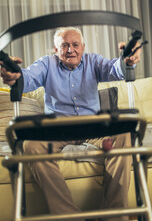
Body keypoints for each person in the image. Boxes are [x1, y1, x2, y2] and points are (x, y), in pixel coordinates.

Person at [0, 27, 141, 221]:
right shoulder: (46, 64)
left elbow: (114, 69)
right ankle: (69, 217)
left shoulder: (94, 61)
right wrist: (15, 76)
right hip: (57, 131)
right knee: (30, 145)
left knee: (124, 136)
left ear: (83, 47)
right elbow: (27, 78)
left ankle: (114, 216)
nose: (70, 50)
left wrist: (126, 62)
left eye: (75, 45)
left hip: (93, 127)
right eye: (64, 45)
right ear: (55, 50)